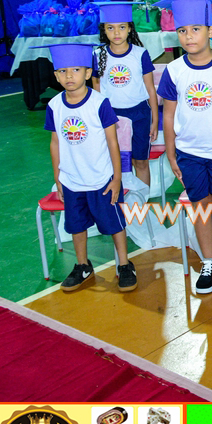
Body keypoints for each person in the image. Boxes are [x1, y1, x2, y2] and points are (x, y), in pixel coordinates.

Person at [154, 0, 212, 295]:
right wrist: (171, 153)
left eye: (196, 29)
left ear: (210, 30)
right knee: (200, 206)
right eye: (182, 31)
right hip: (189, 154)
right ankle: (209, 261)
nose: (189, 36)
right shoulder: (173, 71)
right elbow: (169, 115)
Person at [40, 43, 136, 293]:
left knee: (114, 224)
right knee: (76, 225)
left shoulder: (99, 103)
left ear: (87, 72)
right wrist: (58, 177)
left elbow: (112, 142)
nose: (68, 76)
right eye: (62, 71)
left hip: (102, 179)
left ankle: (124, 264)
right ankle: (83, 265)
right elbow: (54, 142)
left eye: (75, 70)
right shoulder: (54, 106)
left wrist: (116, 178)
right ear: (56, 75)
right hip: (72, 180)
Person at [91, 1, 158, 186]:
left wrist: (155, 120)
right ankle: (118, 200)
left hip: (139, 114)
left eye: (122, 27)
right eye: (110, 28)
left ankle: (142, 201)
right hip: (111, 116)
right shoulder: (98, 55)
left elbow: (150, 89)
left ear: (129, 29)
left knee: (140, 162)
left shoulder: (140, 54)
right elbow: (96, 90)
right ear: (104, 30)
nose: (116, 32)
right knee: (115, 162)